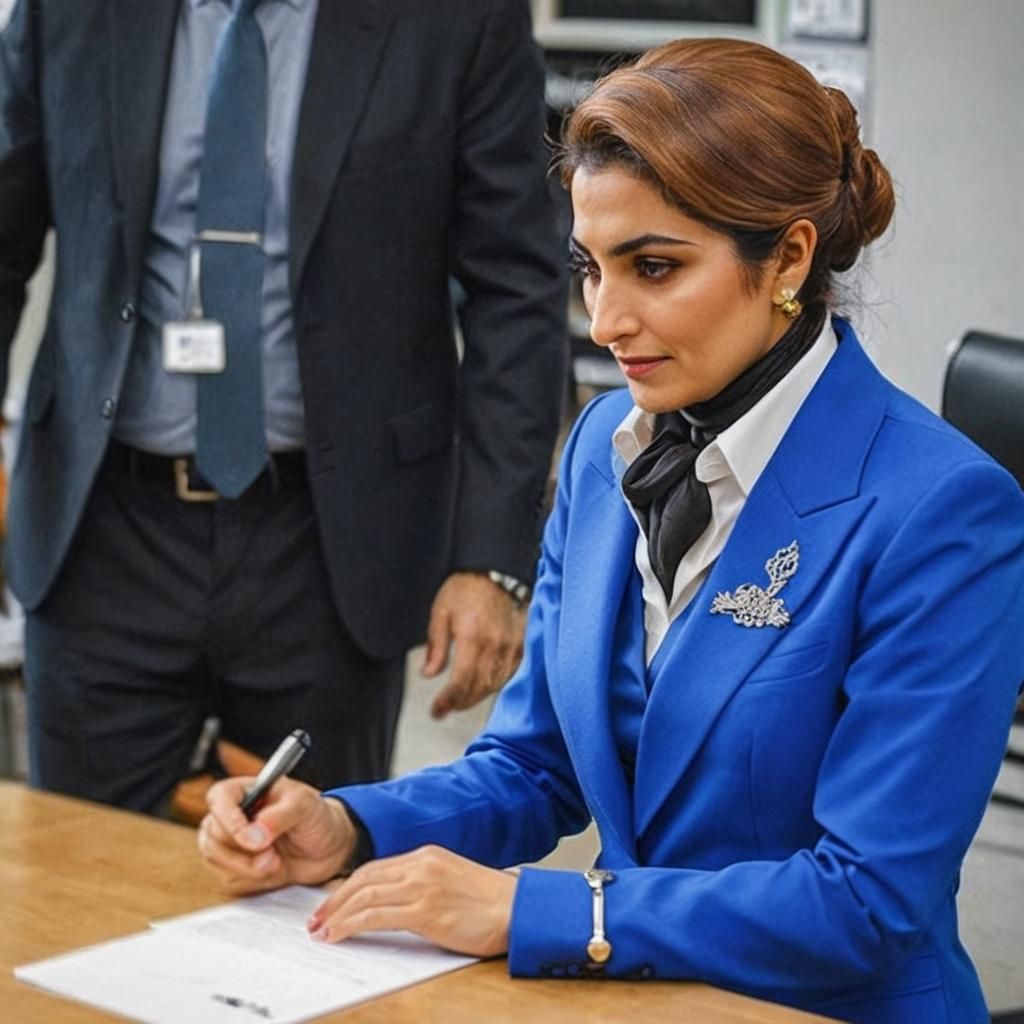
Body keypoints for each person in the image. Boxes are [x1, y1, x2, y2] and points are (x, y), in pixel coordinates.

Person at [198, 38, 1024, 1024]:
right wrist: (346, 826)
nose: (604, 320)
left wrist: (544, 910)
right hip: (639, 1002)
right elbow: (533, 764)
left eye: (654, 268)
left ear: (789, 258)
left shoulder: (941, 510)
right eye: (589, 269)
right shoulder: (604, 444)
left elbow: (864, 901)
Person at [0, 0, 567, 812]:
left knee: (308, 865)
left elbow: (516, 291)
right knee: (85, 865)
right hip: (103, 534)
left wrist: (491, 558)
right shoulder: (67, 12)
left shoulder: (456, 20)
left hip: (331, 544)